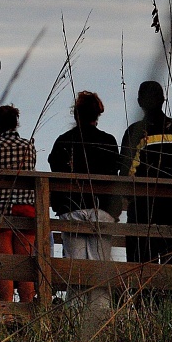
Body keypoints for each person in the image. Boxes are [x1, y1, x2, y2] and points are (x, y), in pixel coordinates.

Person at [48, 92, 121, 309]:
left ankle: (75, 312)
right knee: (100, 265)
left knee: (75, 266)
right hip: (102, 209)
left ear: (75, 113)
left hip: (72, 207)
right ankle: (101, 314)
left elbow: (56, 168)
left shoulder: (64, 141)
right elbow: (114, 170)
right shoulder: (108, 141)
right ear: (97, 114)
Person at [120, 81, 172, 265]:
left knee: (140, 264)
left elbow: (126, 173)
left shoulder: (135, 132)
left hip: (143, 210)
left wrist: (129, 196)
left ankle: (142, 294)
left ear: (139, 101)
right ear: (163, 100)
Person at [0, 105, 37, 304]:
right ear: (16, 123)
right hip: (25, 208)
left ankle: (7, 310)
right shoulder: (28, 146)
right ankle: (28, 308)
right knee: (25, 262)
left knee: (4, 264)